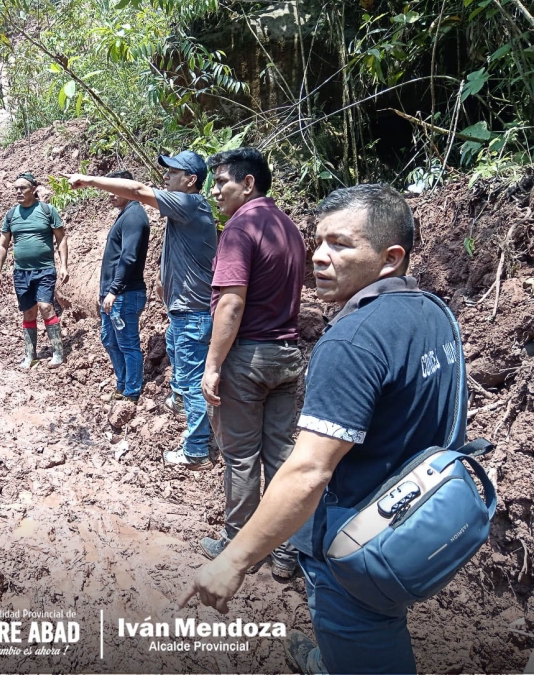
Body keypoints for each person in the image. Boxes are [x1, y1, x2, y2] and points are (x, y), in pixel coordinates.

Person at [178, 184, 462, 675]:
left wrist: (234, 561)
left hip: (357, 544)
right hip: (418, 523)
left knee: (363, 635)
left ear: (390, 258)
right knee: (368, 630)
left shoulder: (352, 341)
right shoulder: (433, 313)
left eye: (341, 245)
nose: (320, 258)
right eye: (319, 242)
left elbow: (308, 471)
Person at [66, 151, 217, 468]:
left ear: (190, 180)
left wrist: (88, 180)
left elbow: (136, 192)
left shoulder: (189, 204)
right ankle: (182, 408)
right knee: (179, 366)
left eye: (173, 172)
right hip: (181, 310)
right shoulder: (184, 211)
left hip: (193, 312)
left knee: (192, 381)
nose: (167, 176)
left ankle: (197, 452)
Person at [198, 148, 306, 579]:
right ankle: (286, 551)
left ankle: (239, 543)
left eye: (222, 181)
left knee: (241, 456)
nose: (215, 191)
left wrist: (212, 365)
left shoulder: (240, 228)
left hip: (249, 357)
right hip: (286, 356)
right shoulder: (289, 228)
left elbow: (231, 303)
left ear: (248, 183)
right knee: (280, 455)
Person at [0, 172, 68, 368]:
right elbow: (3, 244)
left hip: (44, 269)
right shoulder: (11, 215)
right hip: (21, 272)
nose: (18, 191)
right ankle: (30, 355)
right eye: (16, 188)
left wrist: (64, 266)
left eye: (23, 188)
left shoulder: (46, 210)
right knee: (28, 312)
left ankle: (58, 353)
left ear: (33, 189)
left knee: (45, 306)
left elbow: (61, 238)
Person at [98, 170, 151, 402]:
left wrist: (113, 290)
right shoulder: (126, 214)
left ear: (128, 189)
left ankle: (131, 393)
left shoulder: (134, 216)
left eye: (114, 188)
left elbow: (128, 257)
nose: (109, 194)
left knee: (128, 344)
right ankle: (122, 384)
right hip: (115, 294)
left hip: (125, 294)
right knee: (109, 339)